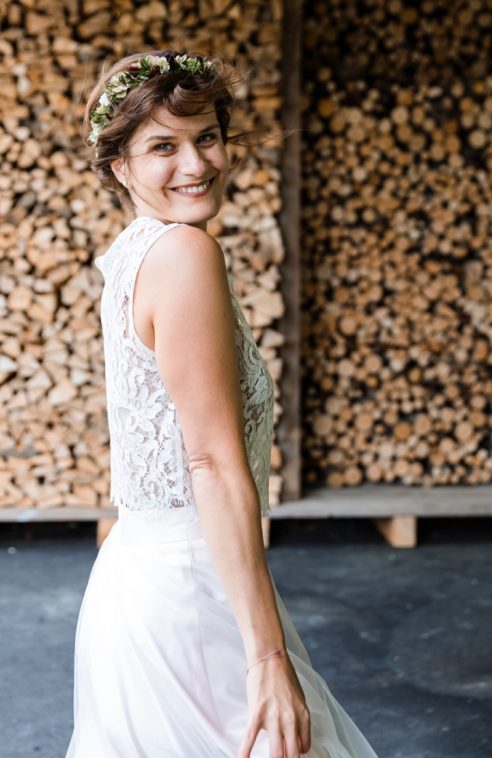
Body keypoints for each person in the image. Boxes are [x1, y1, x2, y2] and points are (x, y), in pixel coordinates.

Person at [67, 51, 377, 758]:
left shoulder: (133, 254)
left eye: (205, 137)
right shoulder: (182, 255)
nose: (196, 164)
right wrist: (266, 659)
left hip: (143, 582)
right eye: (162, 147)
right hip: (191, 601)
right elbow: (208, 461)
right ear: (120, 167)